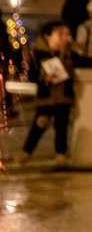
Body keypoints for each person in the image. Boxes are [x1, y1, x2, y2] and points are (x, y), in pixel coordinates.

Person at [16, 20, 76, 169]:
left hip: (64, 96)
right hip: (46, 97)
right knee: (40, 122)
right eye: (60, 34)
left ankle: (60, 154)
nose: (65, 37)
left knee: (61, 124)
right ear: (48, 36)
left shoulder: (70, 53)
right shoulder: (38, 53)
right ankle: (26, 152)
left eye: (67, 34)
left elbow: (83, 63)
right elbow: (32, 75)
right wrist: (43, 78)